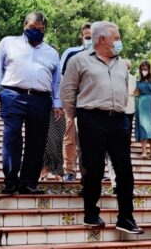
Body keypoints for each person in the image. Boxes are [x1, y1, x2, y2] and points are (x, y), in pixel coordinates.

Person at [60, 21, 143, 234]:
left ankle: (126, 217)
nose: (119, 41)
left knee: (125, 170)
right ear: (103, 39)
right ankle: (91, 213)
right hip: (91, 118)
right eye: (116, 37)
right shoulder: (78, 60)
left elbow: (125, 89)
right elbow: (68, 91)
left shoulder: (121, 64)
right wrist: (75, 115)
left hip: (118, 119)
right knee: (93, 168)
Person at [0, 11, 62, 195]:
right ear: (24, 26)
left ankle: (28, 182)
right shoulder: (8, 43)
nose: (36, 32)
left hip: (41, 99)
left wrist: (57, 103)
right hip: (13, 95)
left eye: (41, 29)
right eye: (32, 28)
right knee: (12, 138)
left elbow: (57, 81)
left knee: (37, 142)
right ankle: (10, 180)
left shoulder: (52, 52)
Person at [60, 23, 92, 182]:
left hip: (91, 104)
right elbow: (61, 76)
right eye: (87, 37)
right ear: (82, 36)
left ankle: (88, 173)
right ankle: (69, 170)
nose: (89, 40)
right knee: (70, 137)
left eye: (92, 37)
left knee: (87, 140)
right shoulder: (71, 53)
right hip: (72, 103)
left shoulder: (101, 56)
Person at [135, 60, 151, 158]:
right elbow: (135, 93)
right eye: (142, 69)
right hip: (141, 105)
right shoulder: (138, 80)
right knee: (142, 128)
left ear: (149, 69)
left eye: (145, 69)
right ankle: (144, 151)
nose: (144, 70)